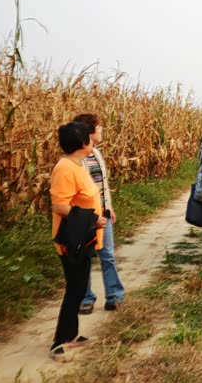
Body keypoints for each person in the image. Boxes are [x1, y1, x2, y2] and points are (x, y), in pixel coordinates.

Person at [49, 122, 107, 359]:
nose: (93, 141)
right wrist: (93, 219)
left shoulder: (77, 165)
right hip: (71, 239)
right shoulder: (65, 168)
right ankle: (59, 342)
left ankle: (71, 335)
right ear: (83, 143)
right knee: (75, 289)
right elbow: (59, 206)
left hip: (84, 237)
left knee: (80, 287)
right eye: (90, 138)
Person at [73, 113, 125, 314]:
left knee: (108, 256)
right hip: (84, 217)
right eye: (99, 127)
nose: (101, 130)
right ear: (89, 131)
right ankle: (85, 298)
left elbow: (103, 185)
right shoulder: (75, 159)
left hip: (103, 214)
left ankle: (114, 296)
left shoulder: (96, 154)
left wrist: (109, 208)